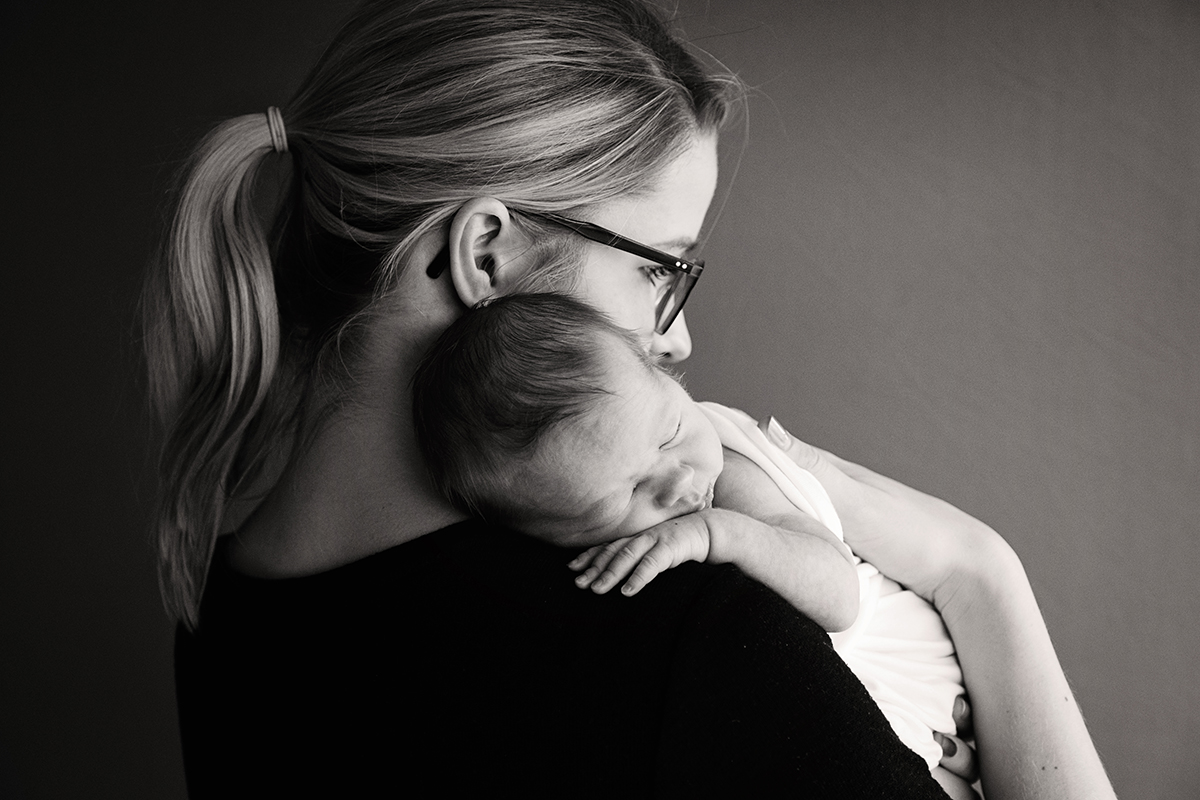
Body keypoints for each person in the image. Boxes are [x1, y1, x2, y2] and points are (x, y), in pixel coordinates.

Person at [143, 0, 1116, 797]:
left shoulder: (226, 608)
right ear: (487, 253)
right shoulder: (682, 634)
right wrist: (982, 575)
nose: (679, 336)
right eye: (661, 270)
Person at [411, 291, 967, 781]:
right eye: (622, 499)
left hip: (906, 669)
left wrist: (719, 533)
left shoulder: (730, 474)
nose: (680, 485)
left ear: (665, 376)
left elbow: (839, 596)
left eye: (671, 432)